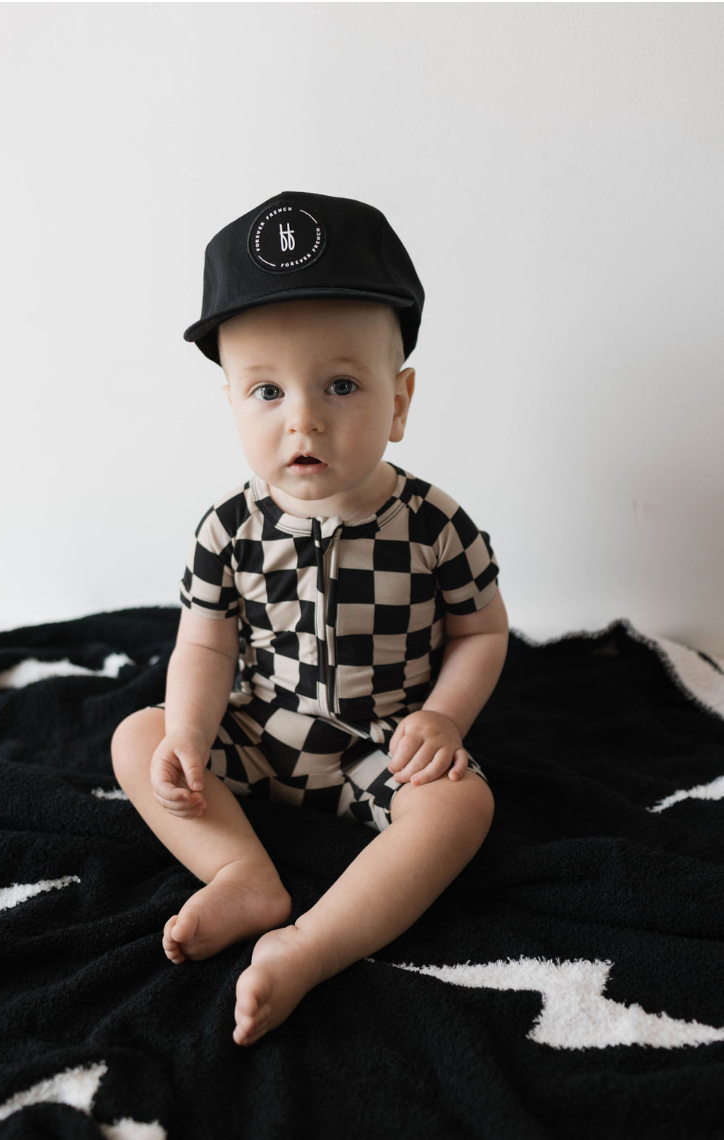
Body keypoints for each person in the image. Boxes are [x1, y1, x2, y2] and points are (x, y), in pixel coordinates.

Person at [110, 190, 509, 1048]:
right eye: (265, 389)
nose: (304, 418)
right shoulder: (230, 528)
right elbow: (204, 643)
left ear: (399, 401)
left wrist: (443, 718)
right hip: (259, 733)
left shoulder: (437, 525)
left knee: (462, 807)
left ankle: (314, 944)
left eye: (340, 383)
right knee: (136, 740)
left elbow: (482, 633)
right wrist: (188, 731)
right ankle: (243, 875)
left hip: (382, 745)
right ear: (229, 402)